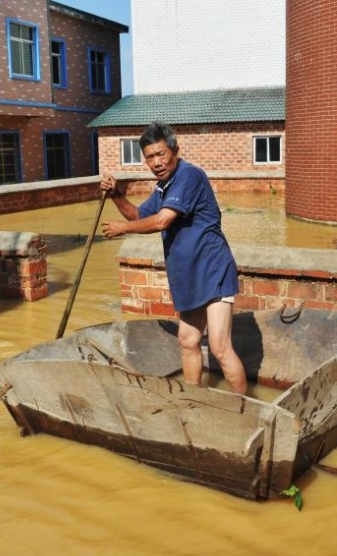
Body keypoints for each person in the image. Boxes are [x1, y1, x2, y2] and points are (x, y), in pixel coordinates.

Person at [100, 121, 247, 395]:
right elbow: (139, 216)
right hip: (190, 276)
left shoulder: (188, 177)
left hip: (212, 269)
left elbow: (161, 222)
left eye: (161, 154)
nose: (156, 162)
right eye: (150, 157)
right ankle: (192, 400)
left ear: (175, 150)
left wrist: (122, 229)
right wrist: (116, 194)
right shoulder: (164, 187)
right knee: (188, 339)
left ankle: (247, 412)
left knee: (219, 346)